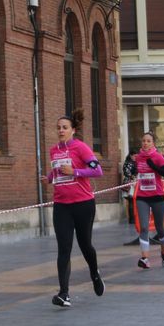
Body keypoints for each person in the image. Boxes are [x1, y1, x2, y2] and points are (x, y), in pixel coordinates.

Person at [45, 109, 104, 308]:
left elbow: (97, 170)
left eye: (65, 128)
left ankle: (94, 273)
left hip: (83, 204)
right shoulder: (54, 150)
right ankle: (64, 293)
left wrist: (76, 171)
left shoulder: (81, 148)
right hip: (61, 205)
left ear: (73, 130)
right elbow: (57, 171)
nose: (61, 131)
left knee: (85, 244)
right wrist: (50, 177)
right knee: (64, 248)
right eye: (58, 128)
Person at [134, 132, 164, 268]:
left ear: (153, 143)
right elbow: (135, 172)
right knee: (143, 227)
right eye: (143, 141)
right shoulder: (138, 158)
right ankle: (145, 258)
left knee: (159, 228)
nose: (145, 143)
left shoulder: (157, 156)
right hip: (142, 197)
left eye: (148, 141)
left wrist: (153, 166)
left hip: (157, 197)